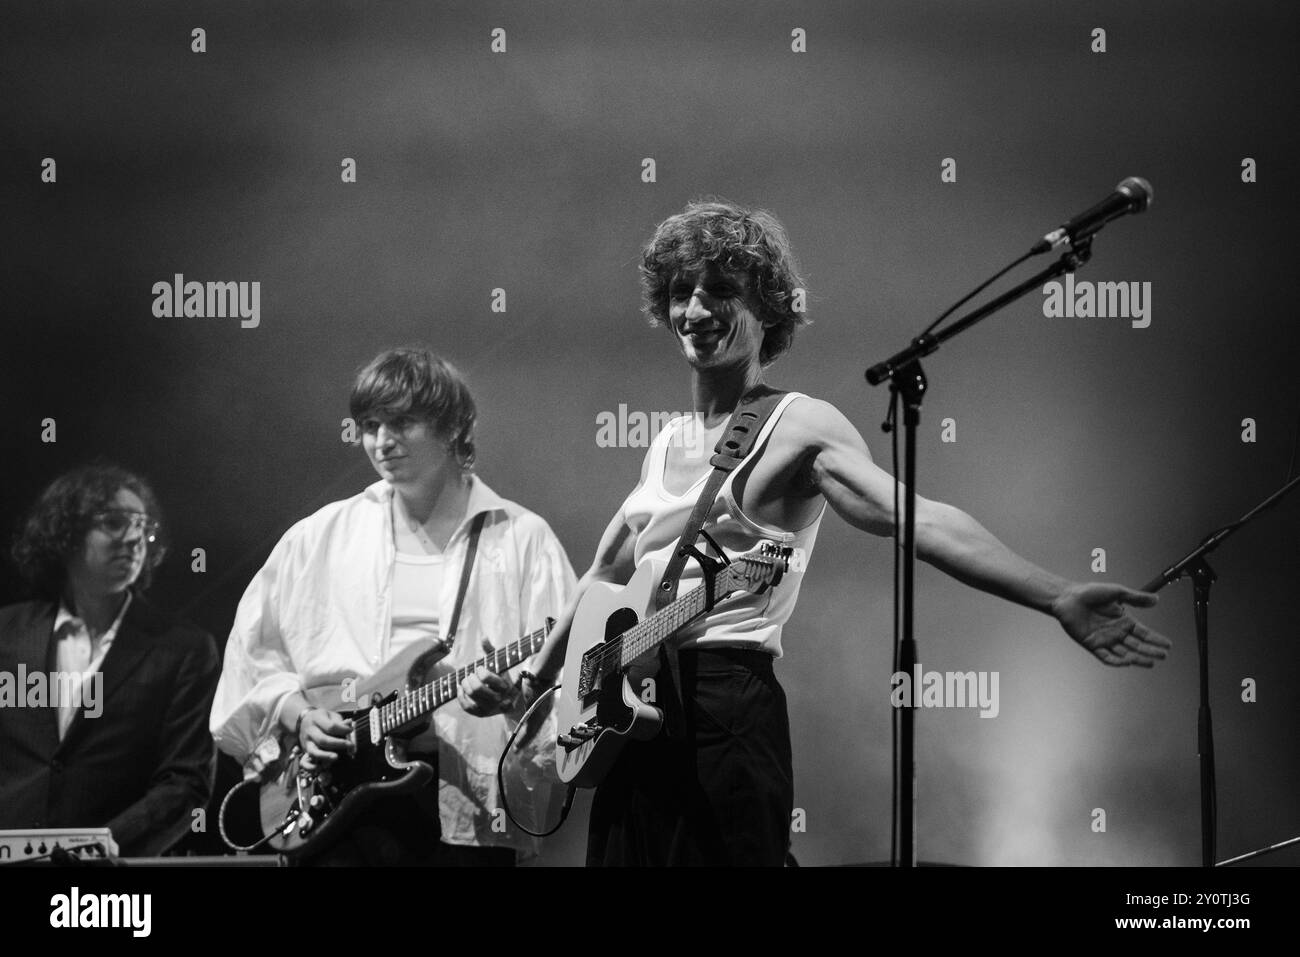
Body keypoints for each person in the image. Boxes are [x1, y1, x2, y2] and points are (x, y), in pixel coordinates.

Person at [528, 199, 1172, 866]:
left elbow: (913, 516)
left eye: (721, 289)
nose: (696, 308)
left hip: (725, 709)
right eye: (682, 291)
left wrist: (1054, 592)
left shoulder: (799, 425)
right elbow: (603, 577)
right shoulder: (663, 443)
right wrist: (537, 682)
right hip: (630, 715)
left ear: (769, 308)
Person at [210, 347, 576, 866]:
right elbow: (254, 656)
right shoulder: (317, 538)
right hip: (338, 799)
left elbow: (572, 674)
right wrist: (301, 714)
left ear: (452, 427)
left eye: (403, 422)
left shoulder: (522, 539)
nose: (382, 441)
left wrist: (514, 701)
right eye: (370, 424)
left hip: (467, 804)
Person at [0, 464, 219, 857]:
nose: (135, 538)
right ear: (65, 532)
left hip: (114, 880)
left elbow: (186, 783)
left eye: (143, 526)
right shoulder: (6, 635)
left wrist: (97, 847)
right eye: (115, 522)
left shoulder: (185, 649)